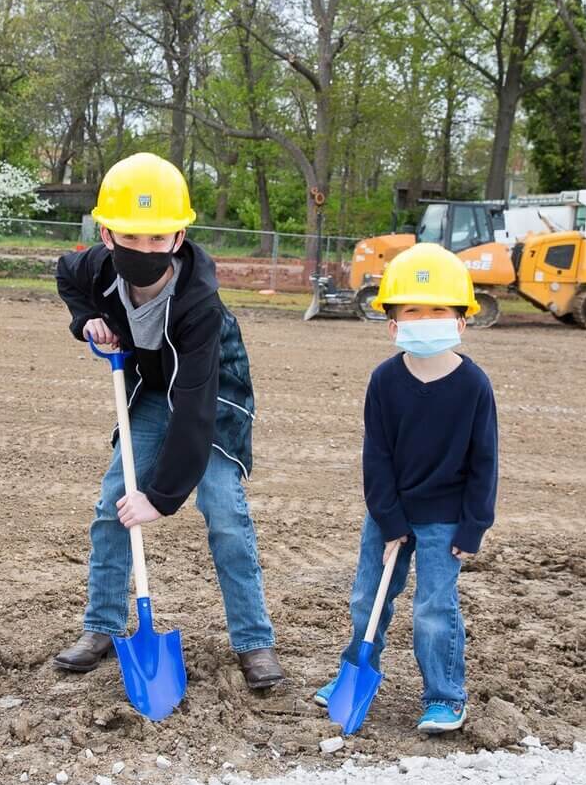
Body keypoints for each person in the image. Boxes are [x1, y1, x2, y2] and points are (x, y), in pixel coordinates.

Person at [50, 152, 283, 691]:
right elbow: (67, 275)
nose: (146, 249)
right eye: (133, 237)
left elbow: (195, 410)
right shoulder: (97, 268)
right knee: (113, 503)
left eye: (159, 239)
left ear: (178, 238)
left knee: (224, 511)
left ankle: (254, 641)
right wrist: (88, 322)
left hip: (212, 395)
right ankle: (101, 627)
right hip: (150, 388)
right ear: (107, 234)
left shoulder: (200, 302)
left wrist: (161, 496)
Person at [313, 243, 498, 732]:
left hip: (446, 519)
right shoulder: (385, 381)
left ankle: (444, 695)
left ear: (461, 321)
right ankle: (355, 672)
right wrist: (389, 519)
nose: (426, 318)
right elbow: (377, 457)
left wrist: (474, 525)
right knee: (366, 599)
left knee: (433, 609)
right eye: (413, 310)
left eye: (439, 309)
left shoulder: (474, 386)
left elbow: (484, 462)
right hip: (388, 512)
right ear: (392, 324)